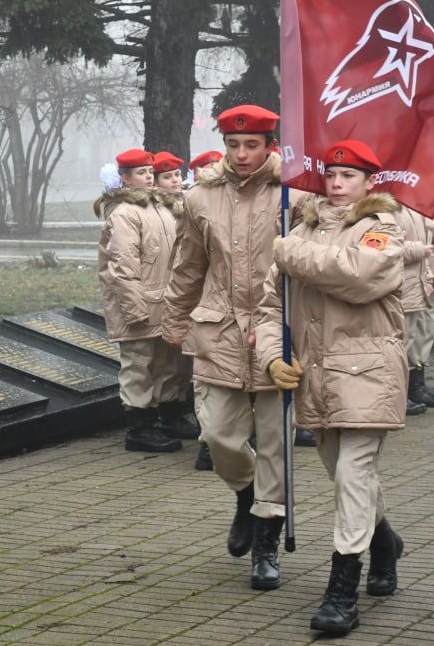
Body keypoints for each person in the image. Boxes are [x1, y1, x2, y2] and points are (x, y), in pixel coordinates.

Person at [255, 139, 407, 636]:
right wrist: (272, 356)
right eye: (332, 176)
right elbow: (266, 309)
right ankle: (383, 540)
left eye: (349, 176)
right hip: (316, 380)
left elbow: (358, 276)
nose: (337, 184)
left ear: (369, 183)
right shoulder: (299, 230)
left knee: (352, 471)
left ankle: (342, 591)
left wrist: (290, 251)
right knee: (344, 475)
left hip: (368, 374)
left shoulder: (382, 228)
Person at [163, 104, 300, 591]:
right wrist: (174, 320)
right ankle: (245, 494)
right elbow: (188, 265)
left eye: (252, 145)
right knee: (218, 435)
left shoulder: (294, 193)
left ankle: (266, 543)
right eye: (234, 145)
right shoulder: (201, 197)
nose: (242, 155)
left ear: (270, 145)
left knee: (275, 442)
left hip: (276, 333)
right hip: (218, 329)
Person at [97, 149, 182, 452]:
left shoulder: (159, 206)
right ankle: (139, 429)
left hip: (163, 301)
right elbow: (122, 267)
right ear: (125, 177)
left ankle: (165, 418)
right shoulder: (124, 214)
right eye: (141, 173)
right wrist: (135, 310)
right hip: (139, 305)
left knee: (164, 364)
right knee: (138, 367)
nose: (148, 176)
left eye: (149, 171)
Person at [149, 150, 199, 442]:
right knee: (166, 363)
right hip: (166, 293)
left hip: (185, 293)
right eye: (167, 176)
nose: (175, 181)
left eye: (177, 175)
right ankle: (165, 416)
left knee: (182, 363)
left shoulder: (187, 205)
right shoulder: (157, 212)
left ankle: (176, 412)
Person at [393, 198, 434, 413]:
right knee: (402, 337)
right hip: (402, 279)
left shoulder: (413, 200)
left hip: (419, 276)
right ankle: (399, 393)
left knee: (418, 332)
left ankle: (414, 384)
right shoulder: (392, 203)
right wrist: (418, 250)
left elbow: (423, 230)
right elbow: (386, 245)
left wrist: (428, 273)